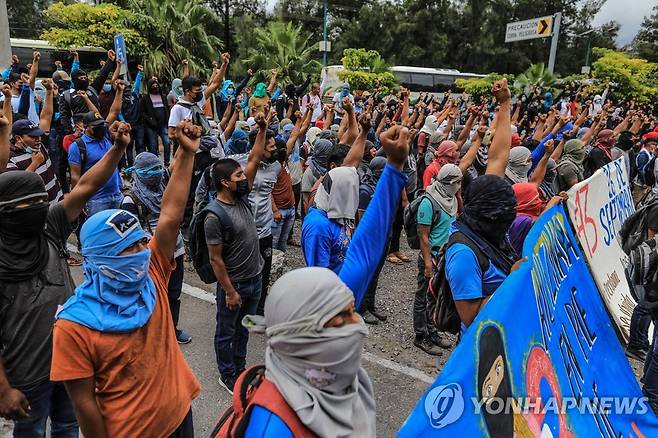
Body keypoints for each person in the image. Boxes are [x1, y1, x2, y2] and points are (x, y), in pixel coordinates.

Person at [230, 122, 411, 438]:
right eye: (341, 319)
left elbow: (367, 245)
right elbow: (327, 271)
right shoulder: (274, 428)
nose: (356, 325)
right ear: (300, 335)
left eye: (351, 313)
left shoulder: (339, 378)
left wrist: (395, 167)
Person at [50, 121, 203, 438]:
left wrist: (186, 154)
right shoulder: (73, 327)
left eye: (139, 243)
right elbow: (85, 405)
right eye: (126, 248)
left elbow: (170, 215)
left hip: (179, 415)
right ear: (98, 260)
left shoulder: (152, 275)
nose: (140, 253)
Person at [0, 114, 131, 436]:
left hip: (71, 361)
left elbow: (86, 186)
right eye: (27, 204)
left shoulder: (49, 225)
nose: (38, 208)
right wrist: (3, 389)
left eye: (41, 202)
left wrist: (117, 148)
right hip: (27, 374)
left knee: (68, 428)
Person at [445, 79, 521, 334]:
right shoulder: (464, 253)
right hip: (483, 349)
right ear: (492, 216)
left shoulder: (486, 216)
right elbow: (471, 316)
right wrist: (514, 281)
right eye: (505, 215)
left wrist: (505, 103)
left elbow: (499, 156)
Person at [205, 113, 271, 393]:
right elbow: (215, 259)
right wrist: (230, 291)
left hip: (254, 278)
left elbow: (255, 157)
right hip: (235, 284)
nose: (245, 178)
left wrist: (263, 130)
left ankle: (241, 367)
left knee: (245, 328)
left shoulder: (241, 197)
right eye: (238, 176)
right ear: (224, 183)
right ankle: (227, 373)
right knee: (227, 331)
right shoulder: (215, 215)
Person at [121, 152, 192, 344]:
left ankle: (171, 328)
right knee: (153, 296)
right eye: (151, 170)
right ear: (139, 173)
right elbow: (132, 235)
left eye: (158, 168)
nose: (157, 173)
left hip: (175, 252)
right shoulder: (131, 200)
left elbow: (180, 163)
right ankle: (154, 332)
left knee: (173, 294)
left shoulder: (164, 186)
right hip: (151, 258)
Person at [301, 111, 370, 273]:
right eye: (349, 190)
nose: (353, 195)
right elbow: (320, 277)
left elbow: (352, 162)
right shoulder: (319, 226)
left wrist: (364, 132)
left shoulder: (336, 195)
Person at [414, 164, 462, 355]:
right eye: (457, 182)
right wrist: (427, 262)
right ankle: (420, 335)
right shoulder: (429, 201)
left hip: (443, 256)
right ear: (449, 182)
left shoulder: (450, 199)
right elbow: (423, 235)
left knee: (434, 296)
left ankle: (431, 331)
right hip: (431, 257)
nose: (459, 185)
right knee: (422, 296)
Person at [68, 86, 124, 217]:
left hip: (116, 194)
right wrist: (77, 201)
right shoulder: (78, 146)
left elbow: (114, 111)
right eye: (97, 126)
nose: (101, 127)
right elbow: (75, 176)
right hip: (96, 200)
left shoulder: (105, 136)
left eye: (102, 124)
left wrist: (120, 92)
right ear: (86, 127)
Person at [5, 79, 64, 204]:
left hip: (57, 204)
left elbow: (46, 116)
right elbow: (17, 186)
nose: (38, 139)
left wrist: (49, 91)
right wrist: (35, 163)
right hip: (38, 213)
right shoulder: (11, 157)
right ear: (19, 138)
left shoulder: (40, 145)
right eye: (33, 137)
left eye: (38, 135)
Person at [59, 50, 117, 134]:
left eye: (85, 78)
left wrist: (110, 61)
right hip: (78, 131)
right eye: (81, 78)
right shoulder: (67, 95)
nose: (84, 80)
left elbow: (101, 76)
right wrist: (70, 133)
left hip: (96, 128)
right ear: (75, 80)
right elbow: (64, 116)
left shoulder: (92, 89)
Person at [140, 77, 171, 164]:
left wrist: (167, 121)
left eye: (156, 84)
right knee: (153, 145)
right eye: (153, 84)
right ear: (149, 86)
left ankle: (167, 162)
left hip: (163, 125)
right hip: (151, 126)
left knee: (167, 142)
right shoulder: (145, 98)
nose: (155, 86)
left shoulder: (163, 96)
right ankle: (155, 163)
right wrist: (150, 120)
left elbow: (166, 110)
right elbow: (142, 112)